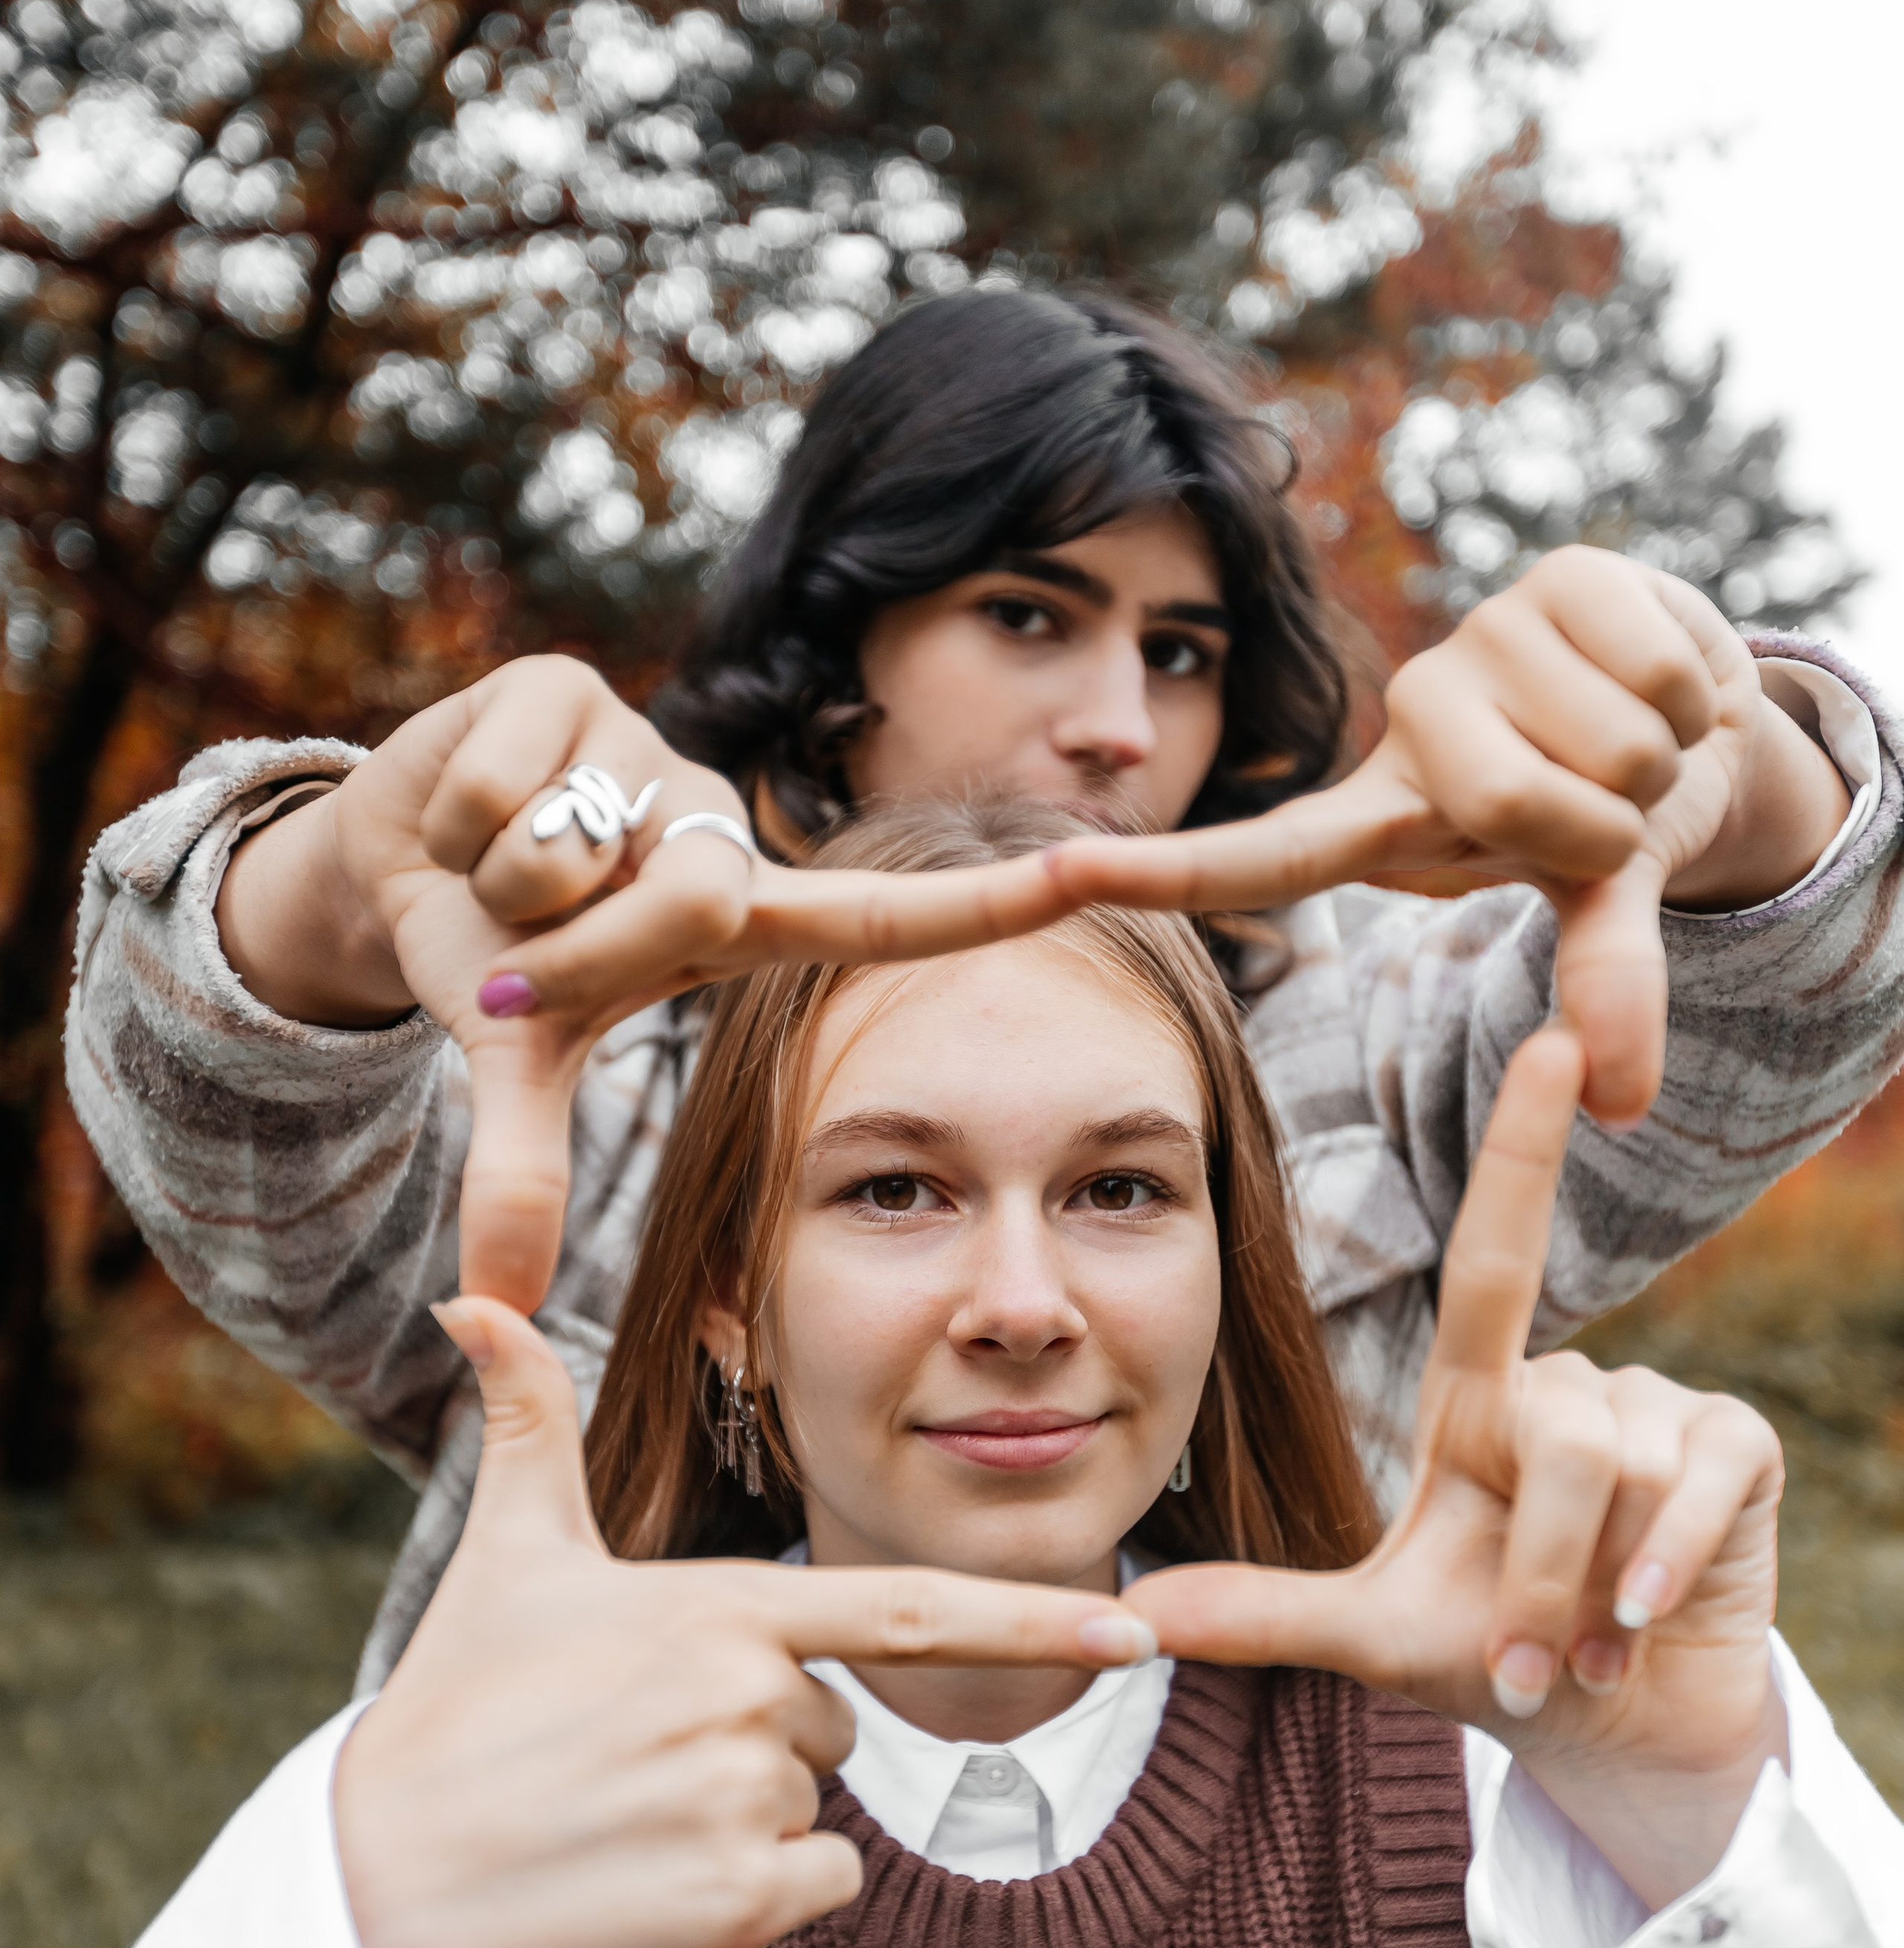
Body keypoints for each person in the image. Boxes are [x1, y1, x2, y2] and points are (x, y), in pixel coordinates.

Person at [11, 801, 1904, 1948]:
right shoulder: (541, 1826)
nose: (1021, 1304)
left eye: (1119, 1189)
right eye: (894, 1188)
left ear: (1223, 1268)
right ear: (734, 1304)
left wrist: (1704, 1825)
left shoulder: (1462, 1807)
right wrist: (358, 1931)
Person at [64, 292, 1900, 1714]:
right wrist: (325, 897)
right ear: (838, 639)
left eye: (1178, 651)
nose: (1120, 717)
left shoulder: (1371, 1048)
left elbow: (1789, 1003)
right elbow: (235, 1128)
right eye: (1031, 611)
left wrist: (1728, 784)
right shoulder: (588, 1059)